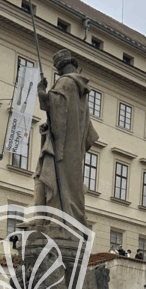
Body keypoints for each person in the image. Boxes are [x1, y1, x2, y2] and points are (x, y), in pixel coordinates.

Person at [35, 49, 99, 226]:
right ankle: (67, 217)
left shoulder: (65, 82)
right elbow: (74, 120)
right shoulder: (80, 88)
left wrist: (42, 92)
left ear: (60, 68)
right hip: (74, 148)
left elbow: (55, 107)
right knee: (70, 182)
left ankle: (58, 217)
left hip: (63, 147)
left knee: (54, 179)